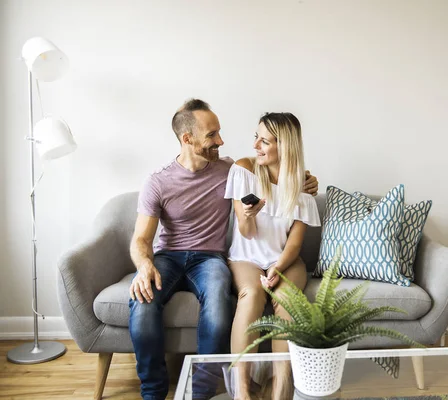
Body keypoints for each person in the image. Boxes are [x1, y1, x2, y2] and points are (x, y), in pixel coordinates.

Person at [128, 99, 318, 400]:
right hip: (169, 257)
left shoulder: (229, 168)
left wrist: (307, 180)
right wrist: (144, 266)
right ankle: (153, 392)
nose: (221, 140)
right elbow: (141, 239)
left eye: (219, 132)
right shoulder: (158, 181)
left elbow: (279, 176)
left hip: (209, 258)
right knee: (142, 302)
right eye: (212, 134)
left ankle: (202, 393)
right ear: (187, 139)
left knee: (218, 303)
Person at [225, 112, 321, 400]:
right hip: (247, 256)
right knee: (252, 296)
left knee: (289, 302)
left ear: (285, 145)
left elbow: (295, 243)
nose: (256, 145)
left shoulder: (302, 184)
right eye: (256, 137)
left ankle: (281, 387)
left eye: (264, 141)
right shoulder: (243, 169)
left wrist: (277, 269)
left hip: (285, 260)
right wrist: (248, 215)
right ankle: (242, 389)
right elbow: (246, 232)